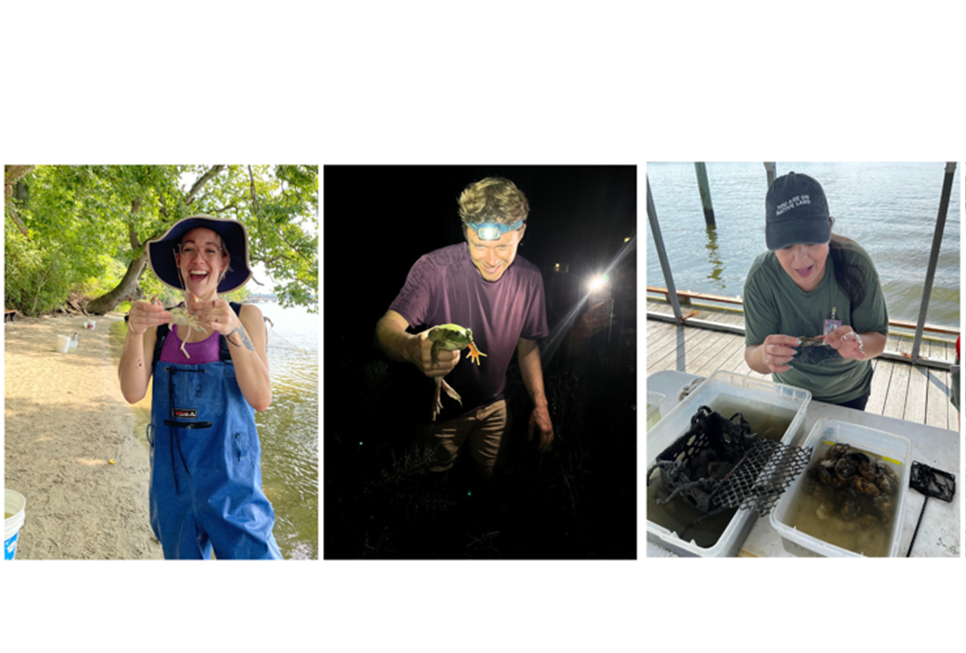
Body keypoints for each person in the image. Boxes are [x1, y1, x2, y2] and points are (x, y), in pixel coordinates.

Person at [118, 214, 281, 559]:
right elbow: (132, 392)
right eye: (189, 250)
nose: (198, 258)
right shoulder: (158, 324)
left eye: (210, 250)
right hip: (171, 481)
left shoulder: (247, 316)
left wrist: (233, 330)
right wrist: (134, 332)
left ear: (224, 263)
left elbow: (261, 398)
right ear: (178, 260)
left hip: (233, 484)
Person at [374, 177, 553, 487]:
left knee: (490, 484)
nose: (492, 259)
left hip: (496, 406)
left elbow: (528, 346)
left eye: (503, 246)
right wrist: (412, 347)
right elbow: (385, 329)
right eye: (480, 245)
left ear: (521, 231)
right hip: (439, 413)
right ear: (466, 232)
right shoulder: (433, 269)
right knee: (429, 488)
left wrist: (540, 405)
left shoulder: (531, 279)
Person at [744, 172, 889, 410]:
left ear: (828, 231)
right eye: (787, 245)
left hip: (849, 392)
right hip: (790, 395)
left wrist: (858, 343)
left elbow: (878, 340)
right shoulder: (762, 277)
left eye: (811, 241)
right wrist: (765, 355)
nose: (800, 258)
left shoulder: (856, 264)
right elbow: (752, 354)